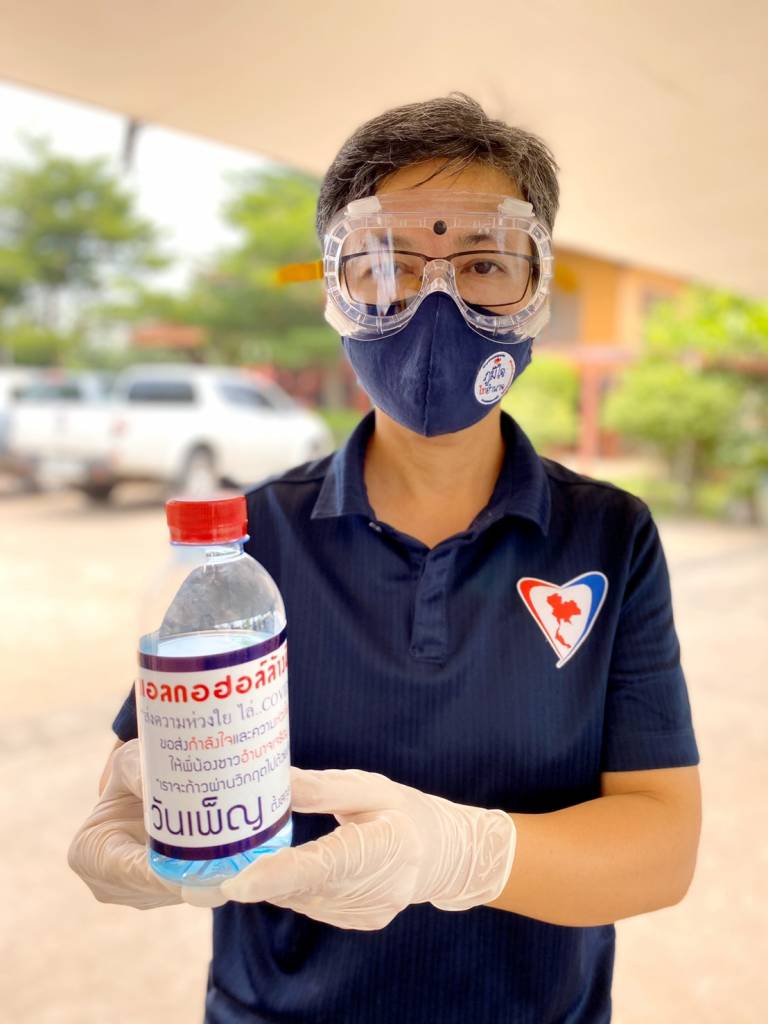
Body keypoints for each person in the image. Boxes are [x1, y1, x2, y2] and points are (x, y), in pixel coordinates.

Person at [68, 92, 702, 1023]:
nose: (434, 301)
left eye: (482, 263)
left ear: (535, 289)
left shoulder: (610, 537)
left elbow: (662, 846)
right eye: (387, 265)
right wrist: (133, 808)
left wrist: (459, 856)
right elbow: (159, 765)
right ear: (337, 288)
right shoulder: (248, 540)